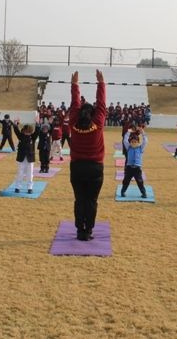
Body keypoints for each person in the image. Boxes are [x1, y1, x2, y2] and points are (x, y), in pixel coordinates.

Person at [69, 69, 106, 241]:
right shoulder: (98, 123)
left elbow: (75, 104)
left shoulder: (73, 123)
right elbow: (102, 104)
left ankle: (79, 230)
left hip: (77, 167)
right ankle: (88, 230)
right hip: (95, 168)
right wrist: (101, 83)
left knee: (79, 200)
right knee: (91, 201)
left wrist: (75, 85)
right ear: (92, 115)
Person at [12, 118, 40, 193]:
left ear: (31, 132)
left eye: (29, 132)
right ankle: (17, 187)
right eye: (26, 131)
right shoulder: (21, 136)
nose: (27, 133)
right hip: (21, 157)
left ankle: (29, 188)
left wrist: (37, 123)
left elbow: (37, 131)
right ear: (24, 131)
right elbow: (16, 131)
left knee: (30, 174)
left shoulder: (33, 137)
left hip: (30, 158)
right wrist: (15, 124)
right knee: (20, 173)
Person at [120, 126, 148, 198]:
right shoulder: (128, 147)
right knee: (126, 181)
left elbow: (145, 141)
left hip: (137, 169)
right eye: (132, 142)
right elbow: (125, 140)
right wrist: (128, 132)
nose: (134, 143)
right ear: (130, 142)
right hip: (129, 168)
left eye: (135, 141)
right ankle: (123, 192)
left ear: (138, 142)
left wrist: (142, 133)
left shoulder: (140, 148)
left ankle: (144, 193)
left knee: (140, 182)